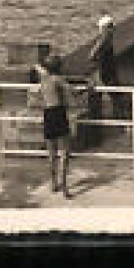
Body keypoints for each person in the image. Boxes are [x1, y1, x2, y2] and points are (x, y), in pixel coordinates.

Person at [34, 54, 79, 196]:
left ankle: (53, 183)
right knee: (64, 153)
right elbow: (73, 93)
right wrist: (89, 88)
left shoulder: (43, 79)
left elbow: (37, 67)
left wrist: (43, 68)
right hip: (58, 114)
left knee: (51, 154)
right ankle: (65, 187)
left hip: (47, 114)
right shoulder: (59, 79)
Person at [88, 15, 127, 123]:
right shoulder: (107, 38)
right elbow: (93, 53)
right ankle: (121, 118)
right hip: (108, 72)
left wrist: (94, 58)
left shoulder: (105, 37)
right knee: (116, 96)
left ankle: (118, 118)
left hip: (106, 71)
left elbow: (92, 54)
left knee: (115, 95)